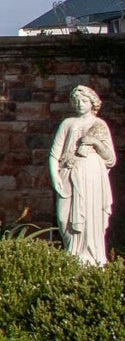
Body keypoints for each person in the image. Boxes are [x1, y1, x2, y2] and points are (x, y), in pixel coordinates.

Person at [48, 85, 116, 265]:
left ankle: (91, 258)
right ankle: (72, 255)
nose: (80, 104)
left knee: (90, 216)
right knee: (64, 218)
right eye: (76, 101)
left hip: (92, 176)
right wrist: (55, 177)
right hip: (68, 175)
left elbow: (110, 159)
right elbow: (55, 154)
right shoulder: (68, 123)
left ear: (92, 103)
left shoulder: (99, 125)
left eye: (84, 100)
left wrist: (95, 142)